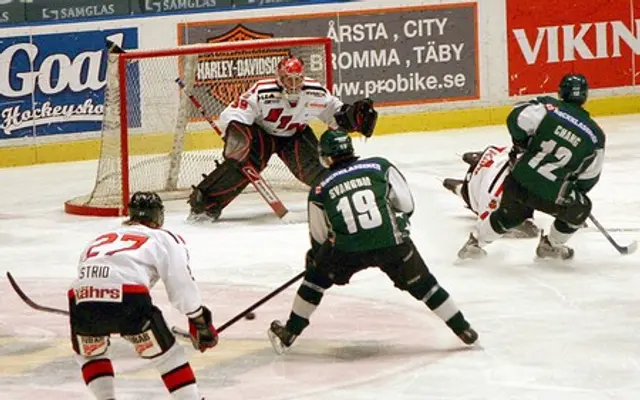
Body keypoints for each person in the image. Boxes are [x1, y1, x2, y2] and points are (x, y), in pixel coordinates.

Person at [267, 129, 478, 354]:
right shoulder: (380, 166)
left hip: (345, 252)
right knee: (425, 285)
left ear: (326, 156)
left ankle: (290, 333)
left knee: (314, 282)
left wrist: (316, 260)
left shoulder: (320, 188)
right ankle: (463, 329)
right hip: (392, 244)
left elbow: (319, 238)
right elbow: (406, 206)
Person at [188, 55, 378, 222]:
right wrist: (239, 136)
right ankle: (205, 203)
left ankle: (340, 196)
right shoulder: (262, 91)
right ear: (279, 79)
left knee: (316, 170)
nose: (294, 85)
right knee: (242, 166)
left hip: (295, 136)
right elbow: (233, 113)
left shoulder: (314, 92)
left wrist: (350, 116)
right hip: (262, 134)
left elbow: (334, 112)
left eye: (298, 79)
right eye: (288, 79)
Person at [68, 191, 218, 400]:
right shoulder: (164, 237)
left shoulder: (100, 238)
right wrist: (199, 320)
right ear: (158, 216)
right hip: (129, 299)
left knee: (90, 353)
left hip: (81, 299)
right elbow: (181, 284)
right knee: (169, 357)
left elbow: (89, 277)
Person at [457, 73, 605, 260]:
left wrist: (521, 144)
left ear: (561, 92)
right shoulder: (595, 136)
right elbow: (589, 180)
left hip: (519, 180)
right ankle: (551, 246)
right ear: (585, 96)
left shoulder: (548, 108)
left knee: (508, 216)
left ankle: (475, 245)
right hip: (553, 194)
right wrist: (572, 187)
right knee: (581, 208)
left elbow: (515, 119)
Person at [442, 145, 540, 238]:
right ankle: (461, 189)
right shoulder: (495, 193)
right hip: (473, 192)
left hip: (489, 161)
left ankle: (468, 177)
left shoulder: (515, 159)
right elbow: (485, 224)